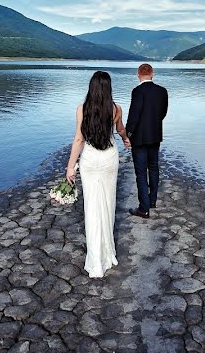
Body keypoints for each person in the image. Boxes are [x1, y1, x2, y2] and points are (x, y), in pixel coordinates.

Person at [66, 71, 129, 278]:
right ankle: (107, 253)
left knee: (92, 207)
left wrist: (70, 166)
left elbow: (78, 140)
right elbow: (120, 130)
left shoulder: (81, 109)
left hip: (90, 159)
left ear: (91, 87)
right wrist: (126, 139)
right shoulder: (116, 108)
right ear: (108, 88)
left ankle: (95, 260)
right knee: (108, 205)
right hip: (109, 157)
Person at [125, 63, 168, 219]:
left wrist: (128, 134)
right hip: (155, 136)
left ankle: (144, 208)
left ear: (138, 74)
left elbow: (134, 115)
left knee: (141, 173)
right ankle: (152, 201)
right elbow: (163, 113)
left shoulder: (137, 91)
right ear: (152, 74)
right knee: (154, 168)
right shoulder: (162, 91)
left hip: (140, 139)